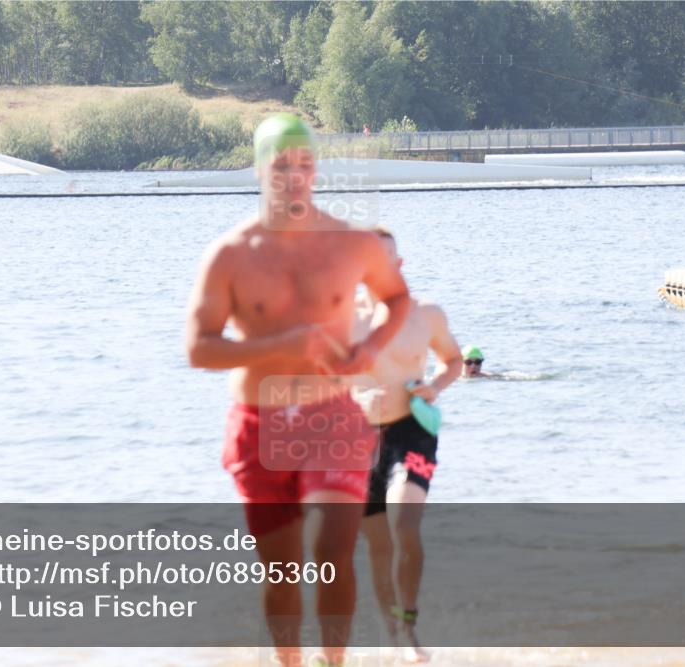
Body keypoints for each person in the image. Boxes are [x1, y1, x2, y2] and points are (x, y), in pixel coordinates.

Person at [185, 113, 411, 667]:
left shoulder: (351, 243)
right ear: (260, 168)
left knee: (331, 552)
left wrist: (370, 349)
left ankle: (332, 662)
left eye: (305, 165)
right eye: (282, 165)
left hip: (331, 414)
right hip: (259, 421)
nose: (294, 177)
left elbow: (397, 300)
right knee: (281, 571)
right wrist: (283, 344)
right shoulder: (231, 254)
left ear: (316, 170)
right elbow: (199, 349)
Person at [351, 228, 463, 663]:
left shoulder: (426, 314)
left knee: (403, 524)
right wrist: (357, 399)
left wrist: (435, 385)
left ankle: (410, 627)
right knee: (377, 545)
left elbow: (453, 360)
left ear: (399, 265)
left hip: (410, 431)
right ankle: (392, 632)